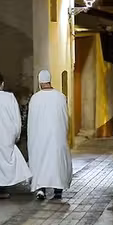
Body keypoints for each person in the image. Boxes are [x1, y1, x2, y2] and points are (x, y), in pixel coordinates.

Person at [27, 70, 73, 200]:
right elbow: (65, 118)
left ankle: (41, 189)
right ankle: (58, 190)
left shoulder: (35, 98)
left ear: (39, 82)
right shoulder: (60, 97)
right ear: (50, 80)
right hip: (56, 137)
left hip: (39, 137)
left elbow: (32, 120)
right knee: (56, 162)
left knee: (40, 162)